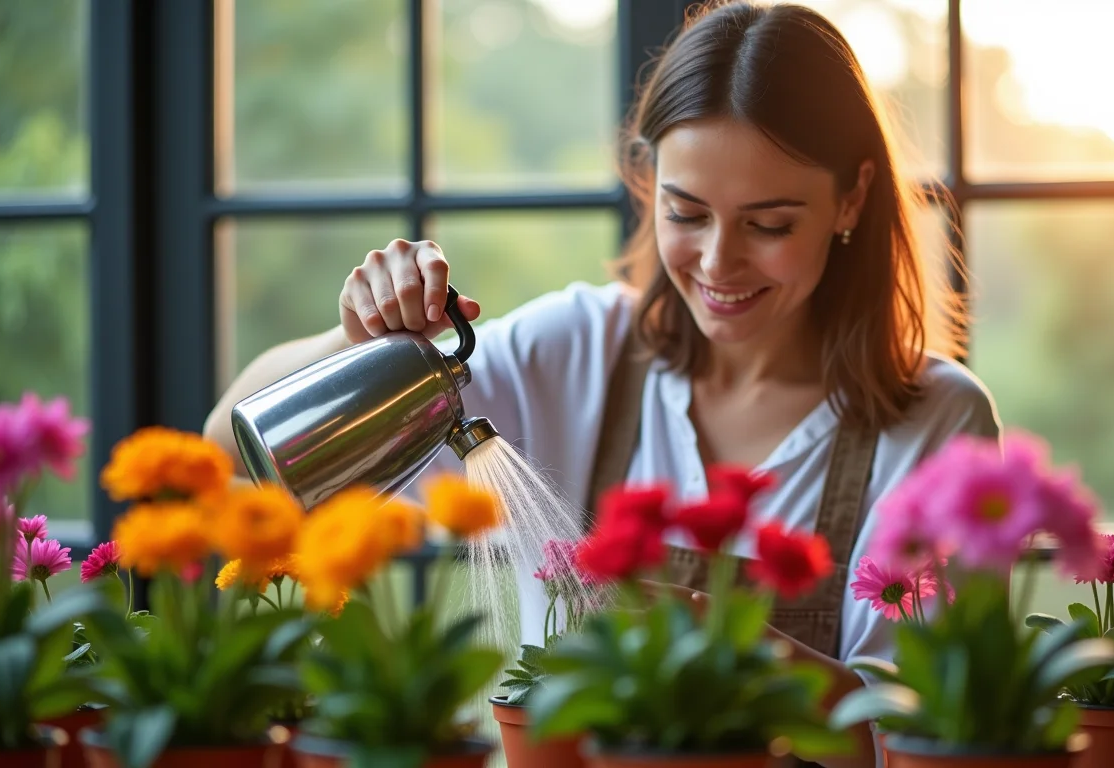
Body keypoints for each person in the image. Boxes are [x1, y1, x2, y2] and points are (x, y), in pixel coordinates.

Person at [205, 2, 1000, 765]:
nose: (719, 263)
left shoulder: (933, 422)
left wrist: (704, 631)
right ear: (647, 180)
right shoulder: (576, 351)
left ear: (852, 197)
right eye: (688, 214)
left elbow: (910, 743)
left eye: (769, 224)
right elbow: (234, 447)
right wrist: (357, 338)